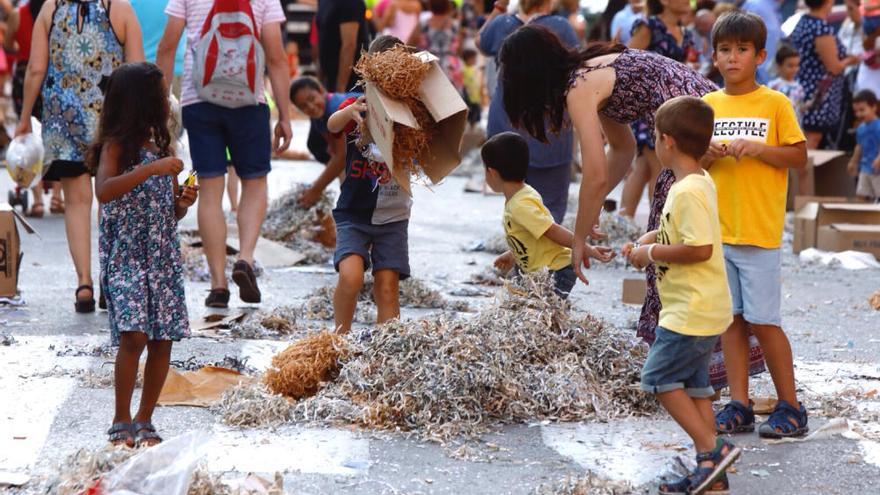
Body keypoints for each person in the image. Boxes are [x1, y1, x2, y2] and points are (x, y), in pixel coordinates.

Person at [499, 24, 716, 290]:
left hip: (692, 122)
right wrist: (592, 208)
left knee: (671, 219)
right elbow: (622, 148)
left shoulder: (578, 86)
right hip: (701, 112)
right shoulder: (587, 72)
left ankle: (683, 322)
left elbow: (596, 174)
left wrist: (578, 240)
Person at [624, 96, 740, 495]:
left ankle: (714, 446)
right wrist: (651, 237)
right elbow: (688, 232)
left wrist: (651, 254)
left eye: (655, 136)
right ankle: (711, 472)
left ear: (667, 141)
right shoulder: (694, 183)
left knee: (657, 378)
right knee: (696, 388)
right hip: (701, 308)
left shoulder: (687, 190)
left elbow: (700, 249)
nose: (654, 142)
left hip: (690, 310)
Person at [702, 11, 810, 439]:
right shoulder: (709, 106)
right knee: (731, 322)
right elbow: (693, 163)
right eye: (725, 50)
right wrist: (707, 153)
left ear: (760, 55)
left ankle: (791, 406)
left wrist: (761, 148)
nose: (733, 58)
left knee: (765, 322)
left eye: (742, 50)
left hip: (759, 232)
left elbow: (798, 156)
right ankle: (739, 405)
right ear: (714, 57)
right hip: (719, 231)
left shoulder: (775, 103)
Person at [157, 0, 293, 309]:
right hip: (249, 99)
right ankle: (244, 257)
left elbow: (167, 48)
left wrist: (163, 100)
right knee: (255, 182)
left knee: (210, 190)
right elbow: (276, 56)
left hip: (199, 98)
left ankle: (218, 285)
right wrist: (284, 115)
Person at [91, 63, 197, 447]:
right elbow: (105, 190)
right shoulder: (116, 147)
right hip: (127, 255)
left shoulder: (162, 149)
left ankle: (145, 418)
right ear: (140, 102)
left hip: (162, 256)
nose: (167, 103)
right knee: (133, 335)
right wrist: (152, 169)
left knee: (162, 339)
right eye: (160, 95)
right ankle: (121, 418)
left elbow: (168, 209)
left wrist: (182, 202)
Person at [16, 0, 144, 313]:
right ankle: (109, 280)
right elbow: (139, 70)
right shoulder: (120, 8)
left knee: (76, 202)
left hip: (63, 119)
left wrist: (23, 119)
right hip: (112, 120)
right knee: (111, 200)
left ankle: (83, 283)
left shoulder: (50, 9)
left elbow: (35, 68)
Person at [328, 35, 413, 334]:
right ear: (369, 71)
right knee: (350, 277)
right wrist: (346, 113)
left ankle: (384, 349)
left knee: (388, 287)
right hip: (354, 212)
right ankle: (339, 339)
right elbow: (332, 124)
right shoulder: (360, 102)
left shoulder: (413, 111)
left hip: (393, 215)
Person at [478, 0, 579, 223]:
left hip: (506, 121)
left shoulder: (502, 23)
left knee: (515, 200)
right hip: (548, 126)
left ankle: (520, 248)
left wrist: (498, 8)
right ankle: (544, 252)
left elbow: (481, 41)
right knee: (550, 205)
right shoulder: (560, 26)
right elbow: (577, 66)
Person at [484, 132, 613, 299]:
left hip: (555, 271)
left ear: (492, 173)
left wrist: (586, 249)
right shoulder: (522, 194)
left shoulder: (519, 205)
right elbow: (530, 236)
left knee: (544, 312)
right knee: (527, 309)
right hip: (538, 271)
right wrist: (513, 254)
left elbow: (551, 230)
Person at [622, 0, 696, 219]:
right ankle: (658, 226)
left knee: (644, 166)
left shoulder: (685, 32)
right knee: (660, 167)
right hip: (647, 108)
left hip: (671, 108)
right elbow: (626, 61)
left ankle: (622, 221)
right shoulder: (649, 26)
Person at [4, 0, 64, 218]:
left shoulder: (18, 15)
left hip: (25, 76)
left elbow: (9, 44)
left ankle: (37, 200)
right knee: (57, 135)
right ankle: (58, 196)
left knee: (28, 137)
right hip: (52, 76)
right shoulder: (58, 11)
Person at [790, 0, 859, 160]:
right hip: (818, 94)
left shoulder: (803, 21)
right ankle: (802, 182)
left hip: (805, 87)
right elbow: (833, 67)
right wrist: (850, 60)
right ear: (827, 3)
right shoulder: (820, 28)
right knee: (811, 139)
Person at [290, 75, 361, 207]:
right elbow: (335, 153)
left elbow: (341, 158)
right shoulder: (318, 118)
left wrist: (315, 191)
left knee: (345, 171)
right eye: (303, 106)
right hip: (358, 146)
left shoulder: (335, 107)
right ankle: (350, 205)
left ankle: (351, 206)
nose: (310, 106)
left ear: (321, 91)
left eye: (312, 99)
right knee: (344, 174)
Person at [316, 0, 368, 93]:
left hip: (351, 82)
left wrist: (340, 88)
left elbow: (349, 46)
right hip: (329, 77)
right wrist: (319, 79)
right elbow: (323, 37)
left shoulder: (350, 2)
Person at [414, 0, 463, 90]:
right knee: (452, 97)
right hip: (450, 66)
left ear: (430, 6)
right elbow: (459, 49)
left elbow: (410, 44)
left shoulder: (423, 24)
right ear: (448, 6)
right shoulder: (454, 25)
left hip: (429, 64)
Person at [848, 89, 880, 201]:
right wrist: (853, 161)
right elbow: (859, 146)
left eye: (862, 110)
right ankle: (861, 217)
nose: (859, 114)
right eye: (856, 111)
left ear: (874, 107)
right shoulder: (861, 128)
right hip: (865, 168)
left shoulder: (878, 127)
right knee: (861, 195)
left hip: (877, 170)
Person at [741, 0, 782, 84]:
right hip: (757, 67)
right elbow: (743, 33)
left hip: (771, 64)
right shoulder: (754, 4)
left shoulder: (773, 5)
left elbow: (776, 32)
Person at [768, 44, 807, 123]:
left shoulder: (798, 87)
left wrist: (812, 102)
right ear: (779, 65)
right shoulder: (773, 85)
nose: (794, 69)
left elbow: (800, 106)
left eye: (796, 65)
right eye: (790, 66)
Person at [461, 47, 483, 129]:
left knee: (476, 112)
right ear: (468, 59)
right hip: (469, 96)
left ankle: (472, 128)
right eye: (474, 58)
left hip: (475, 96)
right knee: (472, 113)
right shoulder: (464, 69)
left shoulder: (472, 69)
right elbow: (464, 83)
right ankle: (471, 128)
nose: (475, 60)